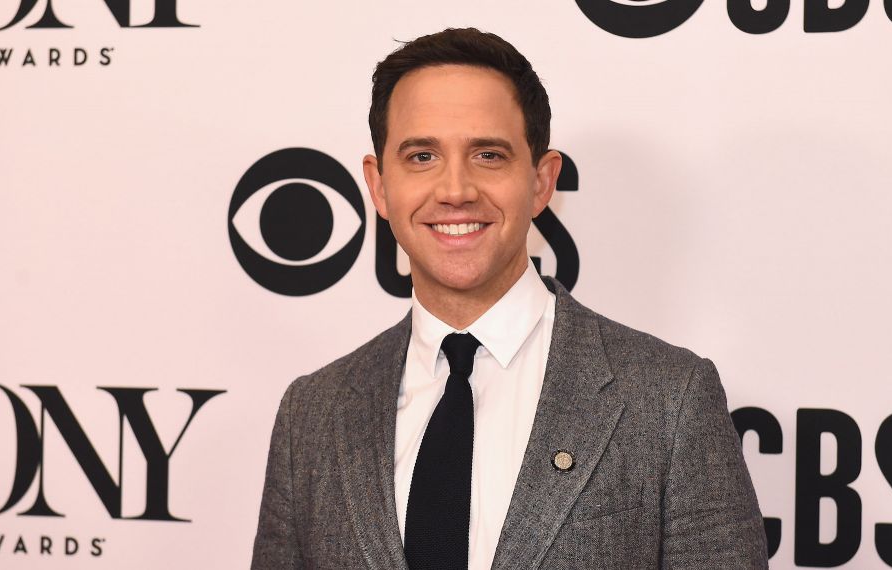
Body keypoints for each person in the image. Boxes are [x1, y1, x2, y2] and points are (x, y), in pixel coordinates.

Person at [252, 28, 767, 569]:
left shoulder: (669, 400)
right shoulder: (311, 415)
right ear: (379, 186)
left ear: (542, 182)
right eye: (422, 155)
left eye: (489, 155)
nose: (455, 190)